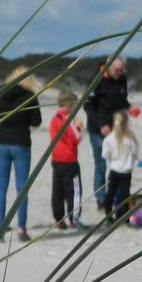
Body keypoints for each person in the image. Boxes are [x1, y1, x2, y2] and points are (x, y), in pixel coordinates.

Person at [0, 65, 43, 241]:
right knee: (22, 189)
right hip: (21, 144)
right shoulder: (29, 96)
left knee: (1, 188)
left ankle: (0, 228)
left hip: (2, 143)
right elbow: (36, 122)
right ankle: (21, 229)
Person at [84, 57, 132, 214]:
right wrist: (101, 125)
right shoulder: (96, 79)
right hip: (98, 130)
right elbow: (88, 105)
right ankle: (101, 200)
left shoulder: (122, 78)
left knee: (118, 164)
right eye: (117, 70)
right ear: (108, 67)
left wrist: (129, 109)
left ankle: (117, 197)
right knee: (101, 165)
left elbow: (122, 99)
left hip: (118, 128)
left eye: (122, 70)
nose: (119, 73)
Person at [49, 90, 85, 230]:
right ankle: (73, 219)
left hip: (57, 160)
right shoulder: (67, 119)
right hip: (69, 160)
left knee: (57, 191)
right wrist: (79, 127)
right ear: (69, 105)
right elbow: (76, 139)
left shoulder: (54, 119)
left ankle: (59, 219)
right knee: (74, 191)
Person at [101, 110, 139, 221]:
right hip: (126, 171)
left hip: (114, 169)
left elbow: (104, 154)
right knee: (124, 195)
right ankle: (123, 217)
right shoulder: (130, 138)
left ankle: (108, 216)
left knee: (110, 193)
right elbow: (135, 153)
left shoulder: (109, 138)